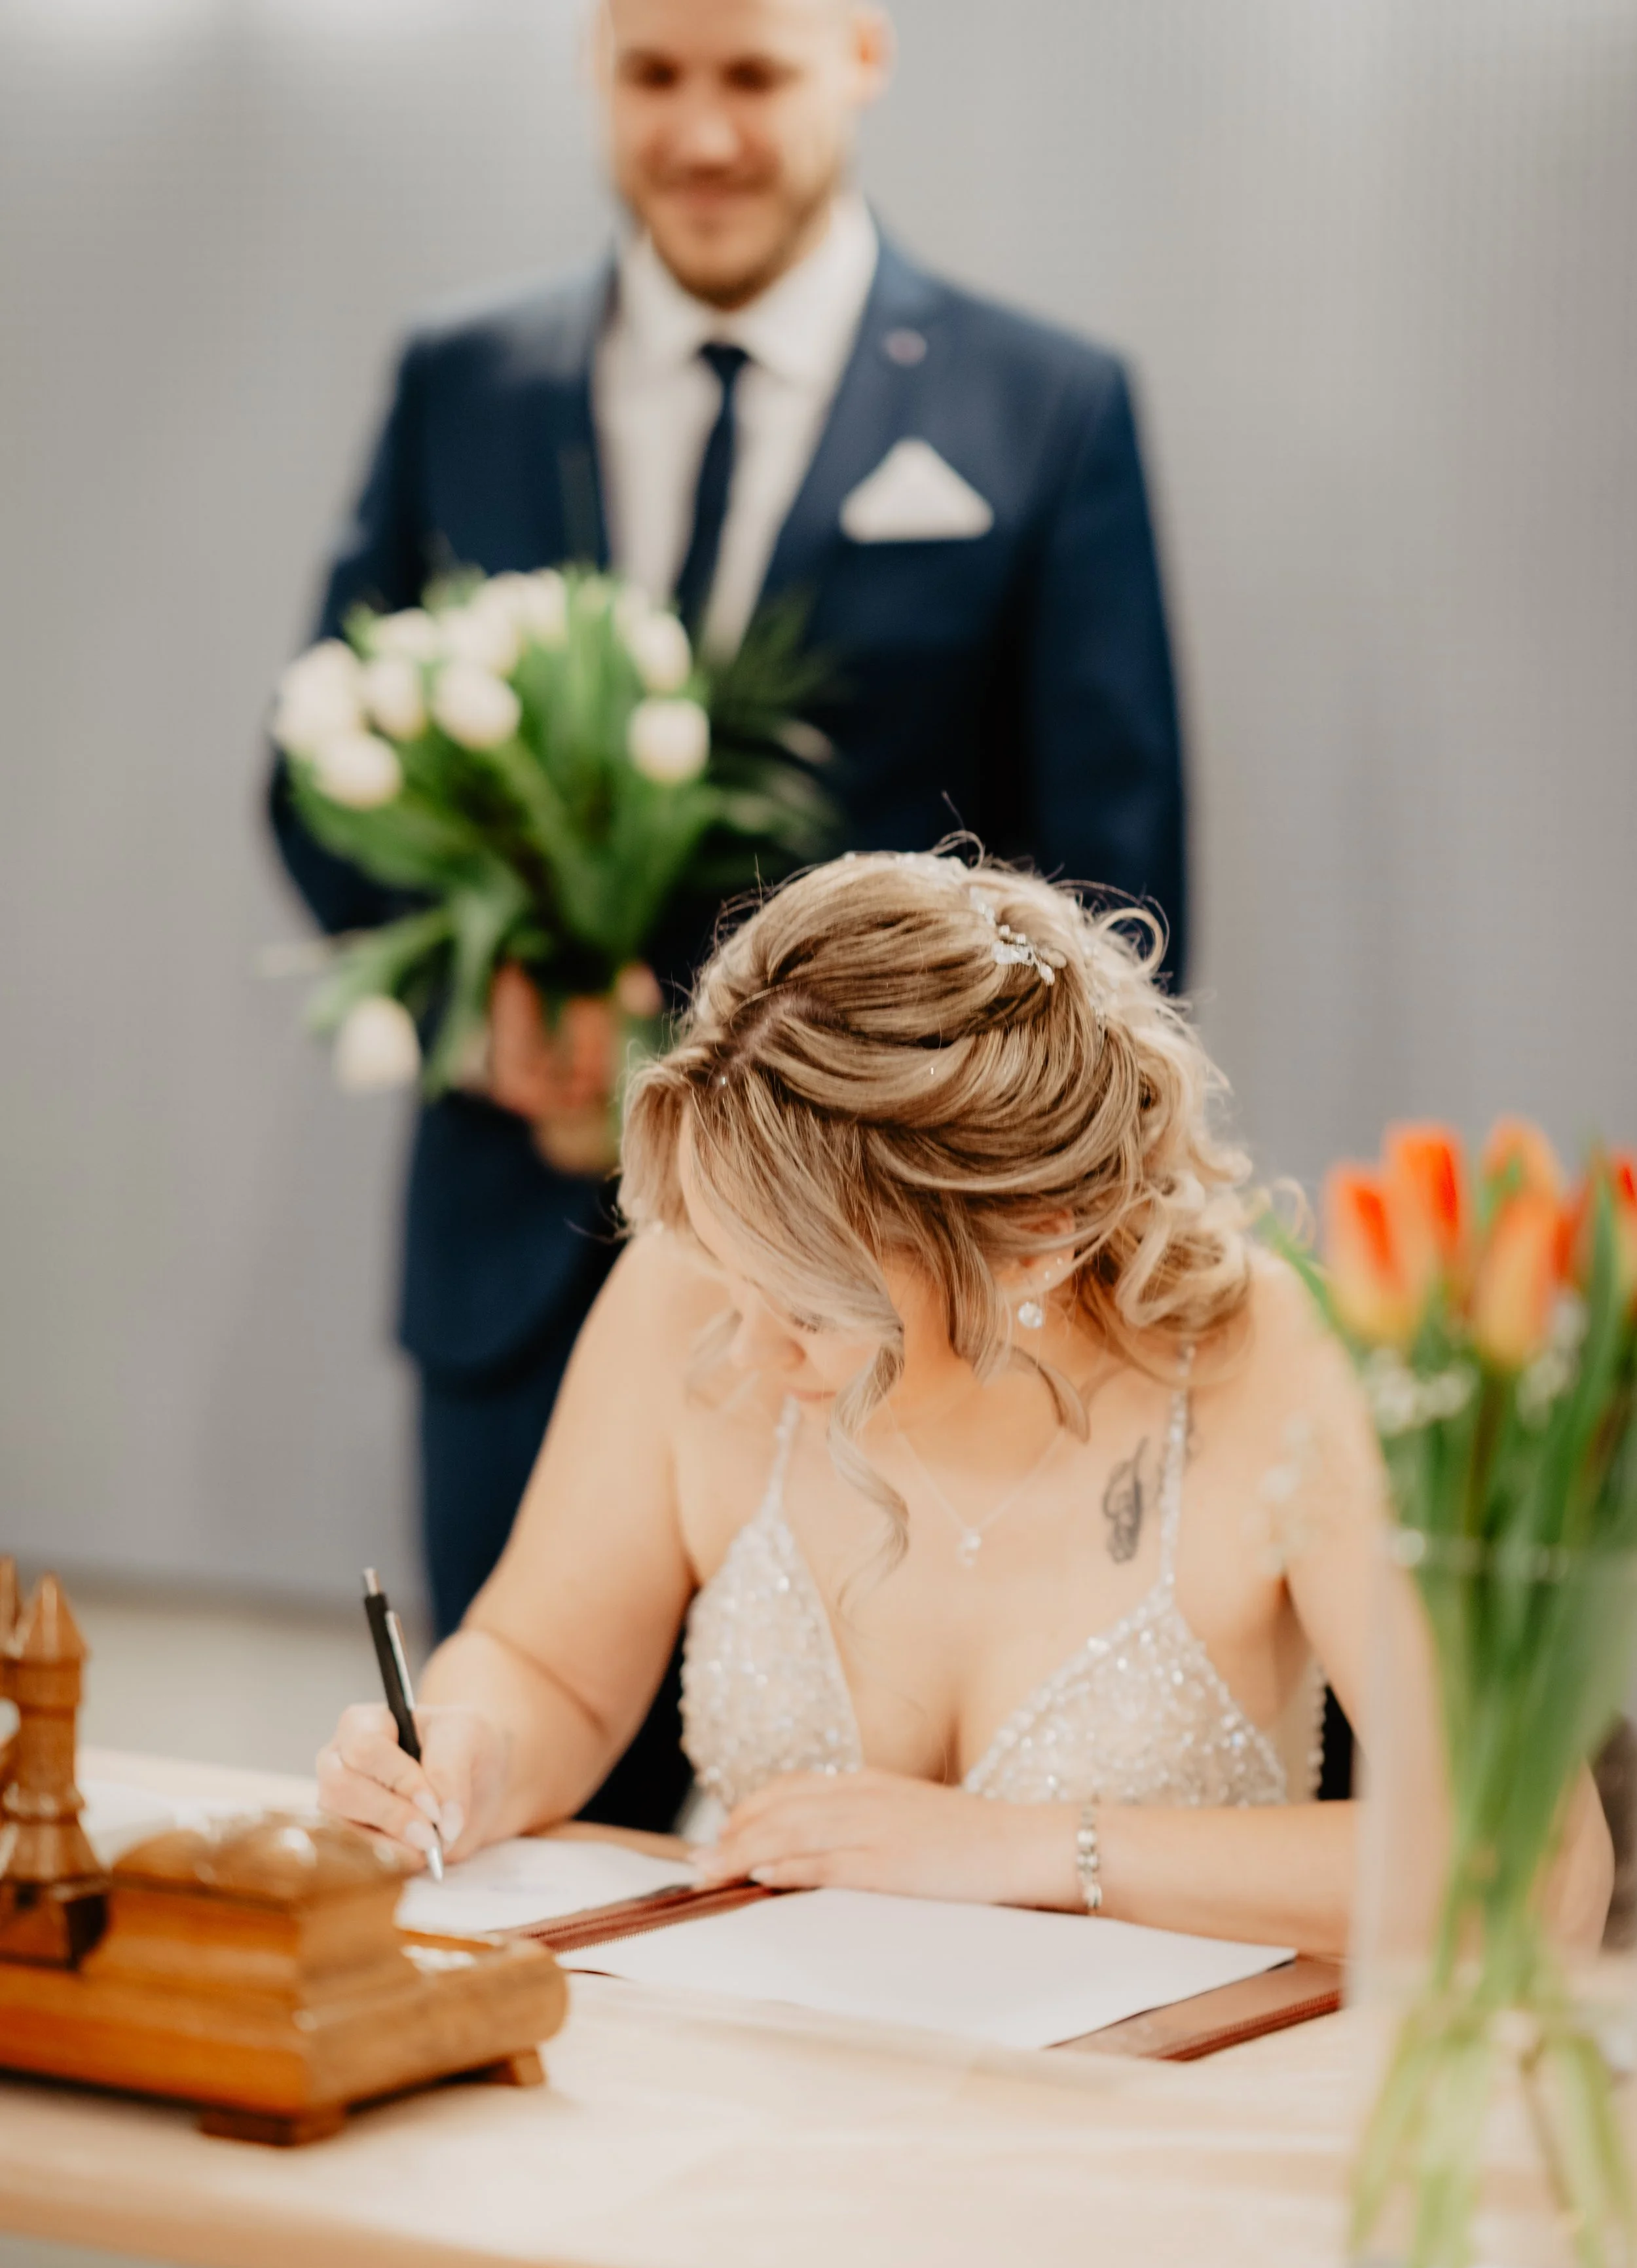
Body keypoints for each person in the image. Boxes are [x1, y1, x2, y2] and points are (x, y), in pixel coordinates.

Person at [270, 0, 1187, 1832]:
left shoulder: (1039, 402)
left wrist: (880, 1146)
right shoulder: (462, 376)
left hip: (902, 1298)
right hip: (516, 1254)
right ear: (593, 66)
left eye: (750, 75)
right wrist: (489, 1012)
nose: (700, 133)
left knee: (851, 1841)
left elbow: (1116, 881)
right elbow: (321, 768)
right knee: (521, 1819)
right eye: (653, 75)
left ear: (859, 53)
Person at [315, 853, 1616, 1952]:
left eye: (812, 1308)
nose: (744, 1343)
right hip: (768, 2080)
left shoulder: (1275, 1367)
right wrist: (473, 1746)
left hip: (1163, 2122)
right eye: (726, 1264)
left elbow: (1533, 1870)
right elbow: (551, 1666)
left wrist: (1029, 1852)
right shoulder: (692, 1292)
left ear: (1036, 1239)